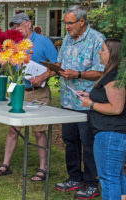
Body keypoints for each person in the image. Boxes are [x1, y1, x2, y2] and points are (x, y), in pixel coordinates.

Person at [0, 13, 58, 181]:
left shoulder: (44, 42)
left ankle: (43, 169)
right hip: (18, 91)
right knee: (13, 129)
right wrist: (5, 59)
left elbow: (57, 65)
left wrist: (43, 76)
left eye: (18, 25)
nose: (16, 29)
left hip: (38, 92)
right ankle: (5, 164)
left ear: (28, 24)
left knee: (39, 132)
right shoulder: (13, 43)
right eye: (13, 26)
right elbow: (4, 63)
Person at [54, 5, 105, 199]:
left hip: (87, 103)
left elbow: (101, 72)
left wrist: (79, 74)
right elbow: (60, 62)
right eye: (65, 23)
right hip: (67, 101)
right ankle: (74, 178)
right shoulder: (67, 39)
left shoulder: (97, 40)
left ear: (82, 22)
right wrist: (52, 69)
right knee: (70, 141)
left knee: (88, 143)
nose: (66, 27)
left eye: (70, 23)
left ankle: (92, 183)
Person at [79, 39, 126, 200]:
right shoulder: (112, 74)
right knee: (116, 175)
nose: (99, 52)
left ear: (112, 54)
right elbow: (108, 99)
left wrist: (90, 104)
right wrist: (90, 96)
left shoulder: (114, 77)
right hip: (111, 134)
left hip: (111, 134)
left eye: (103, 49)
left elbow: (116, 108)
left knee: (109, 178)